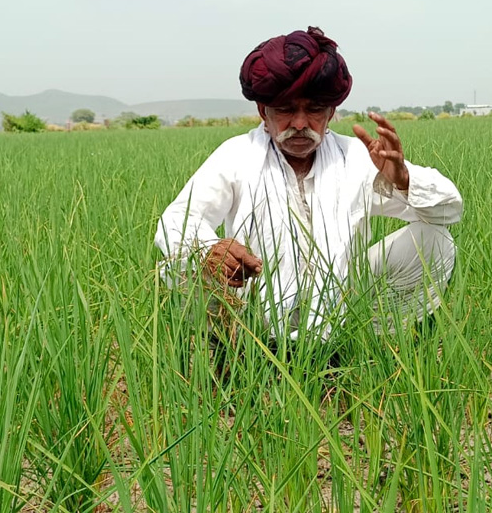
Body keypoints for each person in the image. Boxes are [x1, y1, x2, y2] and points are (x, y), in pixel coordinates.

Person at [155, 27, 462, 340]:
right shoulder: (237, 155)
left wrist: (403, 180)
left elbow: (449, 212)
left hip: (343, 301)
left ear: (331, 112)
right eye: (286, 110)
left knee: (434, 240)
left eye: (314, 110)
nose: (300, 123)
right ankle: (230, 348)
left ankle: (370, 341)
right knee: (177, 268)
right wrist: (211, 249)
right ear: (263, 112)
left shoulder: (355, 157)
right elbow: (176, 221)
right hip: (252, 306)